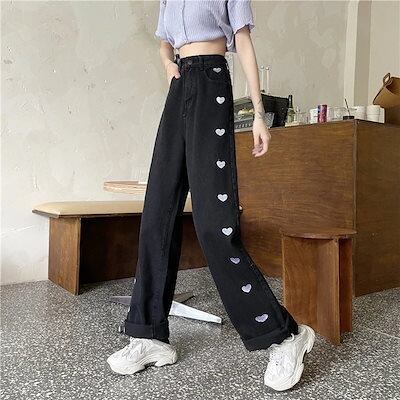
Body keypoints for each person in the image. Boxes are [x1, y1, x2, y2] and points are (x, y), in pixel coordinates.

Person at [107, 0, 315, 391]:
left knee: (213, 226)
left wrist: (258, 113)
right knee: (156, 218)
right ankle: (149, 335)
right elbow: (164, 40)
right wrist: (167, 63)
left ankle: (285, 336)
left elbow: (244, 42)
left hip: (212, 83)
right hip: (179, 87)